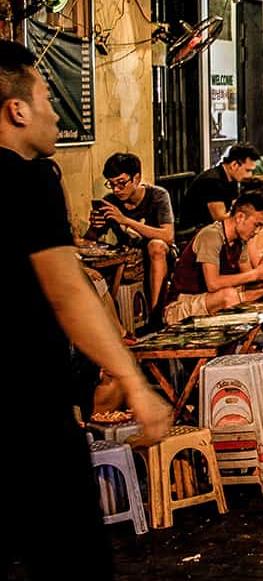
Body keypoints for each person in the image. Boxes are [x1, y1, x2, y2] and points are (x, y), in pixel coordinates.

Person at [1, 40, 171, 578]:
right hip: (27, 409)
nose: (56, 111)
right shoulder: (28, 180)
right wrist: (134, 383)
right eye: (49, 94)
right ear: (18, 108)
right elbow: (69, 292)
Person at [162, 194, 263, 325]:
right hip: (181, 304)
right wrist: (256, 274)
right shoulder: (211, 236)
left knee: (262, 288)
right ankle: (240, 343)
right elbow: (213, 283)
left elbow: (248, 278)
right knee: (229, 296)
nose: (257, 231)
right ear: (240, 217)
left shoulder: (239, 241)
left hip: (210, 299)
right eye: (256, 225)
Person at [85, 151, 175, 311]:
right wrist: (94, 226)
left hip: (159, 255)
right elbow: (89, 240)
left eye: (121, 183)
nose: (116, 190)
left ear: (137, 178)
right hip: (127, 256)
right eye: (111, 184)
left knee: (156, 245)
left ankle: (157, 313)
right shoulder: (110, 201)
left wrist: (125, 221)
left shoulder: (157, 196)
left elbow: (168, 236)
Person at [181, 141, 258, 228]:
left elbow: (235, 204)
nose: (250, 175)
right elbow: (220, 218)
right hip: (196, 231)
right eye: (247, 170)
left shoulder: (232, 179)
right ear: (234, 165)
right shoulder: (213, 181)